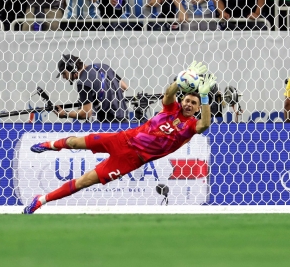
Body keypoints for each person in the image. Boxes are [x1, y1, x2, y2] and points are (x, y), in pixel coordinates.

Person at [23, 61, 217, 214]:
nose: (189, 104)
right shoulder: (171, 108)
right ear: (182, 100)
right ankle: (50, 144)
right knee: (76, 142)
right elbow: (168, 94)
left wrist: (205, 95)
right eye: (187, 100)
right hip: (121, 139)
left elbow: (205, 124)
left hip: (130, 160)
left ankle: (42, 200)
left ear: (198, 108)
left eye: (194, 103)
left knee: (84, 181)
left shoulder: (191, 126)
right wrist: (182, 78)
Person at [54, 54, 129, 122]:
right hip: (124, 120)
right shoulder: (104, 66)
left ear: (71, 68)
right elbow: (124, 86)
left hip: (109, 125)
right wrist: (101, 96)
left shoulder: (83, 81)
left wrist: (65, 113)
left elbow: (86, 113)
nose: (63, 77)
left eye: (64, 73)